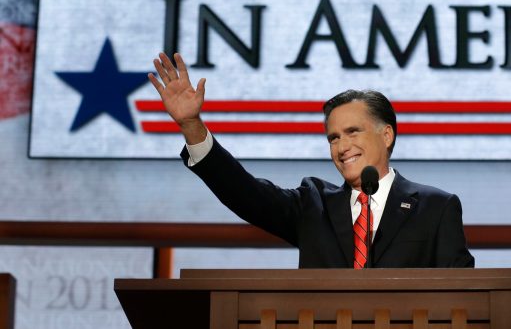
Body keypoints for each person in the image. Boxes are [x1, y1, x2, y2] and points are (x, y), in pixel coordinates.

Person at [149, 52, 475, 268]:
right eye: (333, 137)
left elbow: (464, 293)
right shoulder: (314, 206)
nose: (341, 146)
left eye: (352, 132)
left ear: (386, 135)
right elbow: (243, 192)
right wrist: (191, 125)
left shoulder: (435, 207)